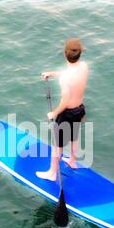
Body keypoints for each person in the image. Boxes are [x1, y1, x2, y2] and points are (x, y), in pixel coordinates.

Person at [36, 38, 88, 181]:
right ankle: (72, 160)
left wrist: (54, 113)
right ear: (80, 54)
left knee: (56, 145)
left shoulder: (65, 78)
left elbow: (64, 101)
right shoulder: (83, 66)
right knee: (74, 136)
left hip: (67, 114)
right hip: (80, 110)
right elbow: (70, 72)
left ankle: (52, 173)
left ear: (65, 54)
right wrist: (52, 73)